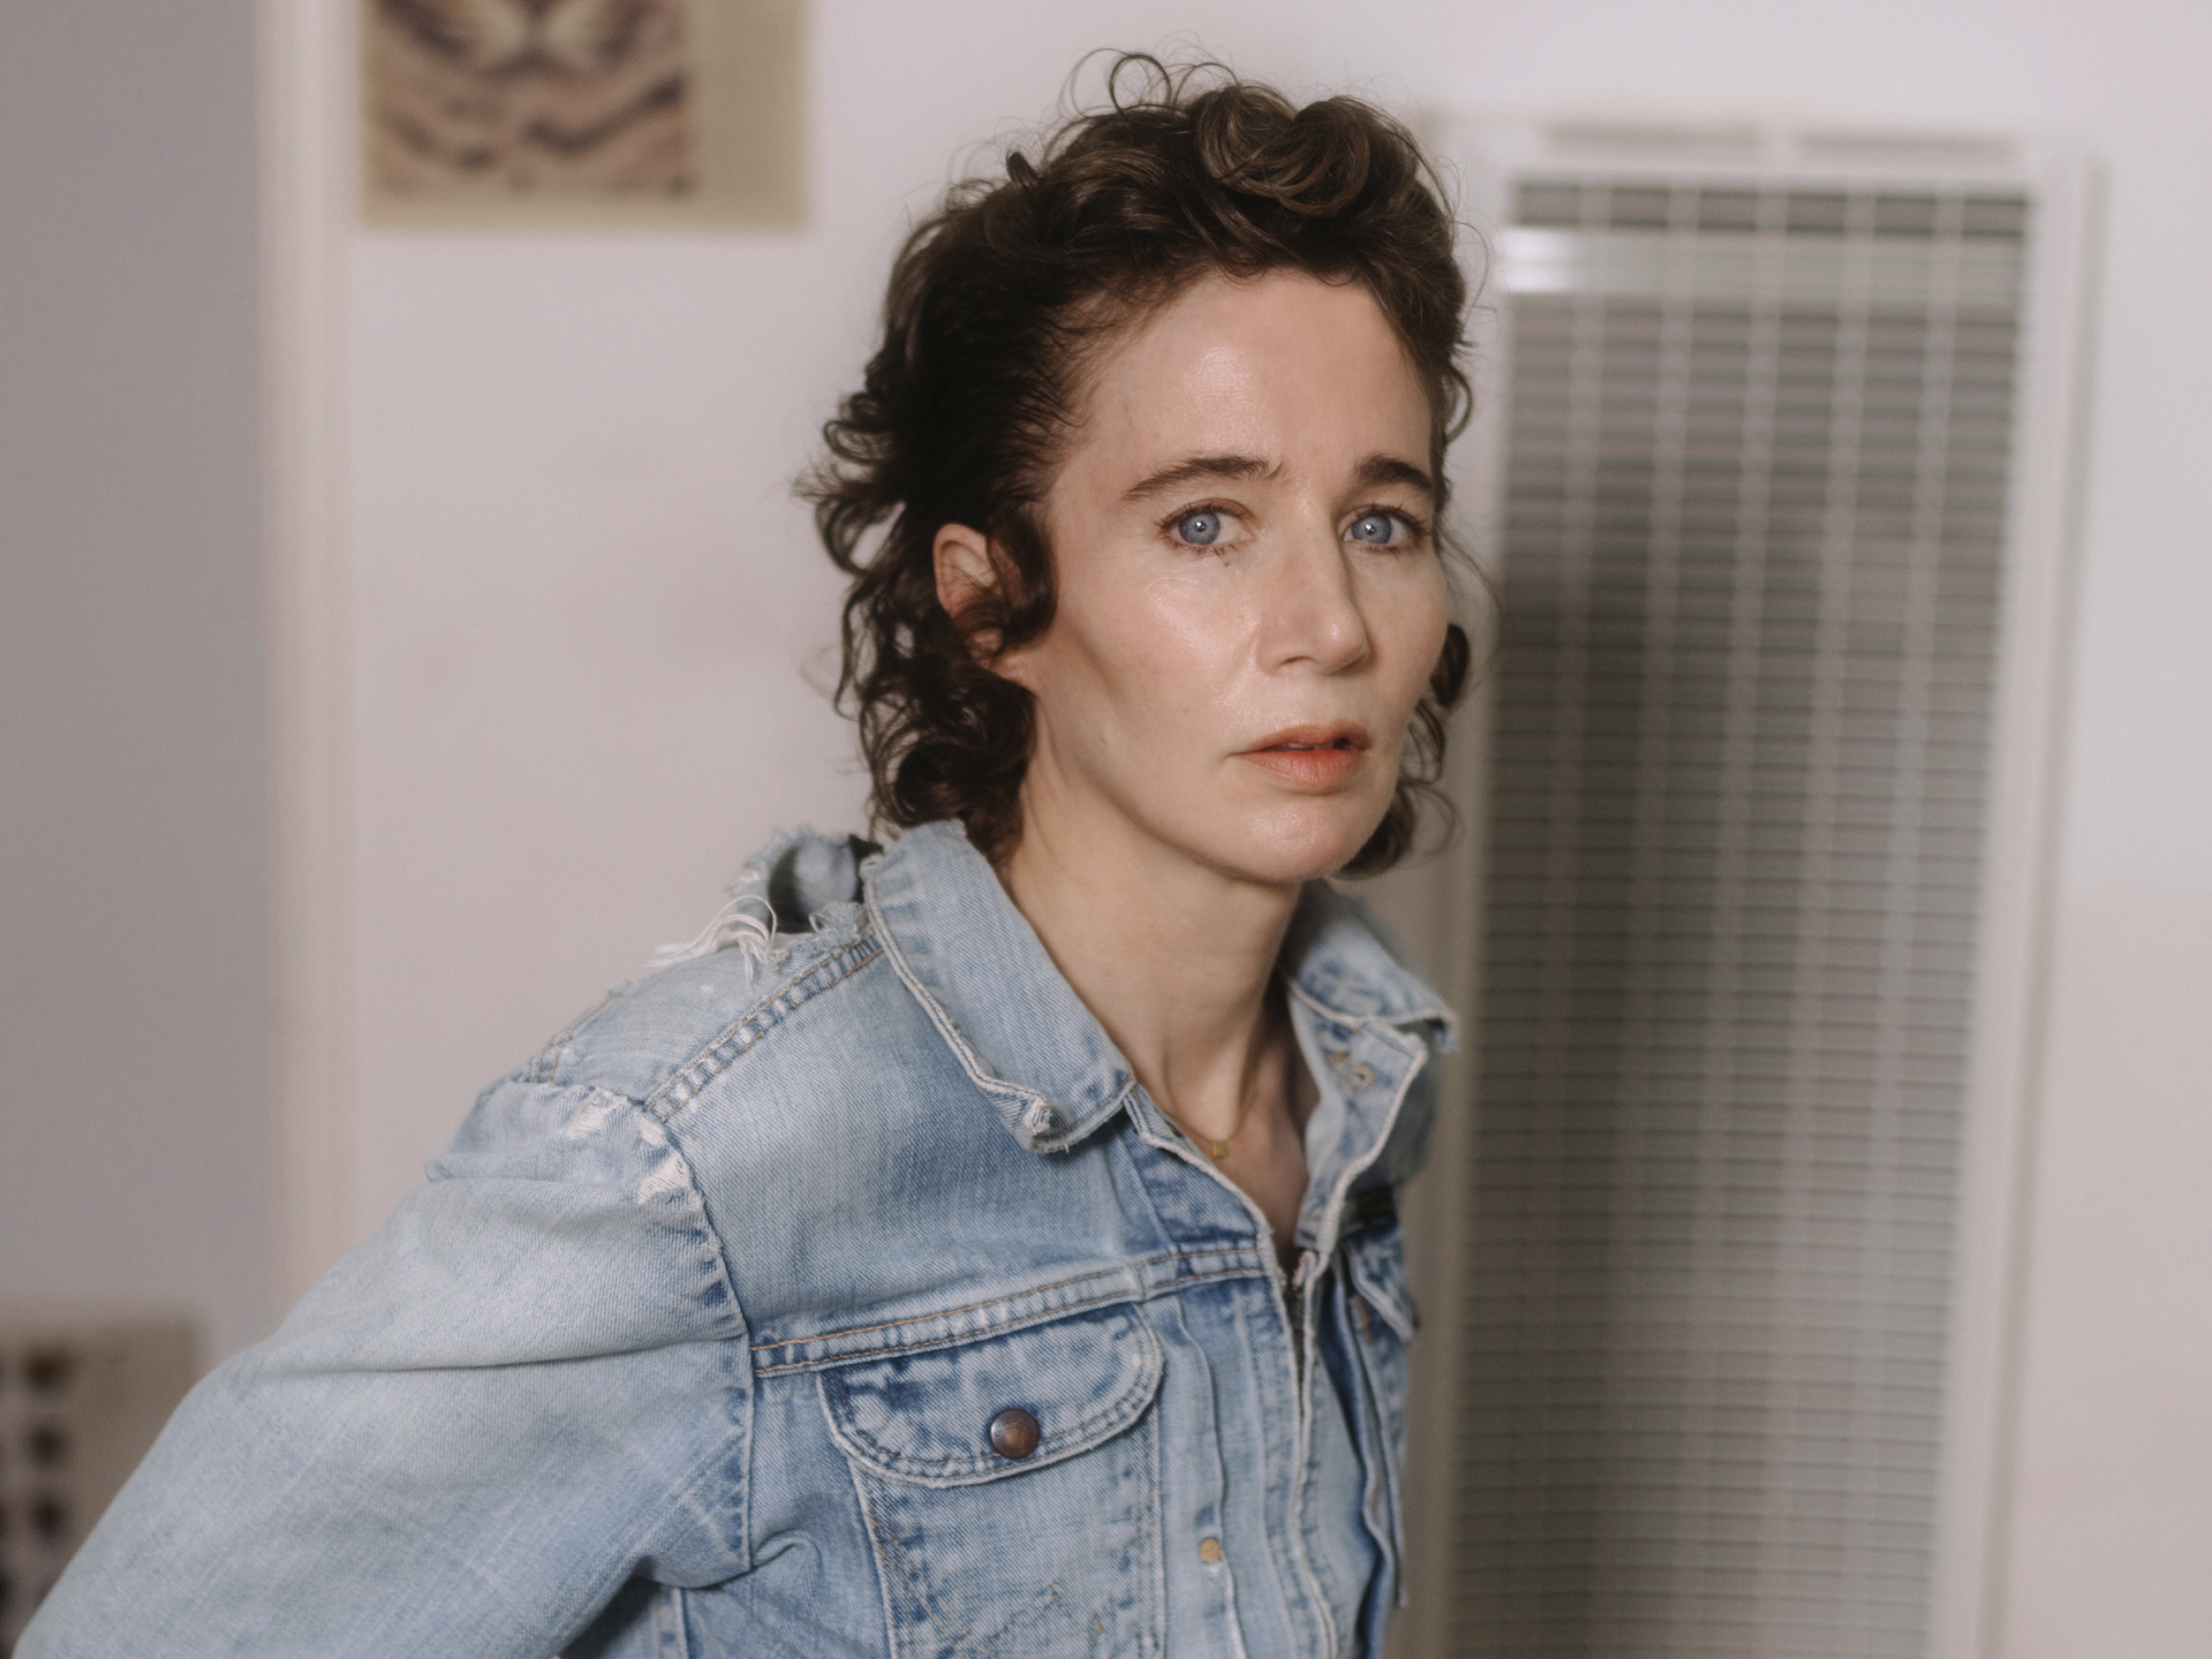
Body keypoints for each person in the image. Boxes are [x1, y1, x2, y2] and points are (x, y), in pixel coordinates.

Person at [22, 55, 1473, 1659]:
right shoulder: (700, 1161)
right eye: (1205, 522)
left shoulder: (1362, 1071)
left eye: (1382, 523)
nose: (1333, 626)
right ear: (993, 600)